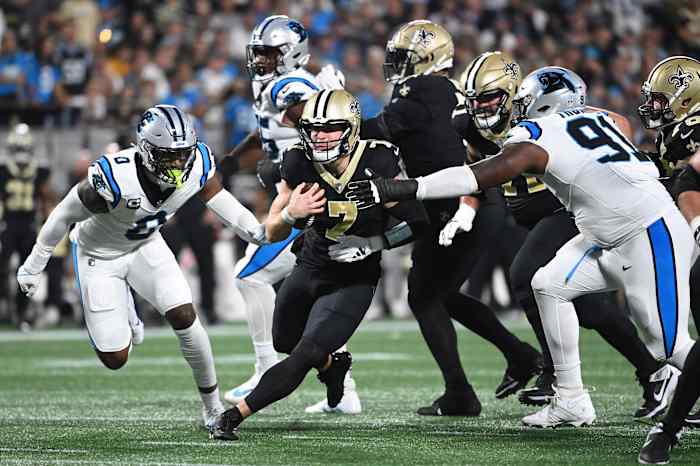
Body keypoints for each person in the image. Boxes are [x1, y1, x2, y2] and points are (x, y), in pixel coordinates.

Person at [348, 96, 695, 430]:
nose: (518, 111)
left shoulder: (539, 135)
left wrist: (405, 187)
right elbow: (623, 133)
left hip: (647, 234)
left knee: (668, 345)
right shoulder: (595, 119)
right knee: (548, 284)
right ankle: (571, 399)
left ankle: (659, 383)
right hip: (607, 232)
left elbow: (475, 177)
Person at [15, 104, 285, 430]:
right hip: (98, 256)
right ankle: (126, 302)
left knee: (185, 317)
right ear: (145, 150)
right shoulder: (115, 177)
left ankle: (213, 408)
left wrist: (254, 229)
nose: (179, 163)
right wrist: (35, 263)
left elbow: (219, 197)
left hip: (145, 245)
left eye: (183, 155)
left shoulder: (197, 163)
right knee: (115, 358)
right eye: (169, 157)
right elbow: (63, 214)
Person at [452, 56, 666, 421]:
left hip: (564, 207)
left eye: (487, 98)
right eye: (474, 100)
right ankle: (654, 373)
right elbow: (475, 168)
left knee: (526, 275)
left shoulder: (543, 111)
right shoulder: (469, 123)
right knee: (590, 307)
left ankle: (553, 373)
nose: (480, 107)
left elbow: (618, 123)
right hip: (526, 217)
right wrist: (466, 210)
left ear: (512, 93)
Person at [210, 89, 428, 441]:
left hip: (354, 276)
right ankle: (333, 365)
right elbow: (272, 230)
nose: (321, 136)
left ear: (352, 129)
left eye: (331, 128)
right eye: (314, 129)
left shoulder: (378, 161)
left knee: (305, 352)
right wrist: (290, 214)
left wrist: (372, 244)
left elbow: (418, 222)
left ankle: (233, 417)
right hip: (311, 263)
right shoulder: (299, 161)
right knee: (284, 341)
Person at [359, 20, 541, 416]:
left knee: (425, 296)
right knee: (439, 295)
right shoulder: (446, 90)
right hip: (465, 202)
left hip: (461, 204)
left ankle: (464, 390)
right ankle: (517, 356)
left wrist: (332, 113)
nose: (396, 65)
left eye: (403, 58)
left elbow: (376, 130)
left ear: (428, 59)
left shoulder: (423, 89)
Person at [219, 15, 361, 415]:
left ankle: (266, 365)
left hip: (305, 199)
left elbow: (318, 125)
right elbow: (267, 129)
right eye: (258, 52)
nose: (260, 60)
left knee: (249, 276)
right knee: (319, 295)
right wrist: (234, 158)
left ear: (290, 53)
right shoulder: (272, 84)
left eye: (269, 53)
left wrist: (329, 95)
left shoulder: (291, 85)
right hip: (302, 196)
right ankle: (346, 390)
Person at [637, 55, 700, 465]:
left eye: (660, 99)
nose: (652, 107)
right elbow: (689, 180)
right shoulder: (683, 135)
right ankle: (670, 427)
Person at [0, 123, 52, 329]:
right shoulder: (4, 170)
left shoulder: (39, 170)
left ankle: (22, 312)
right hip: (8, 223)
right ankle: (6, 307)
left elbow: (45, 198)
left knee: (27, 270)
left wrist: (46, 222)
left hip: (28, 224)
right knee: (3, 267)